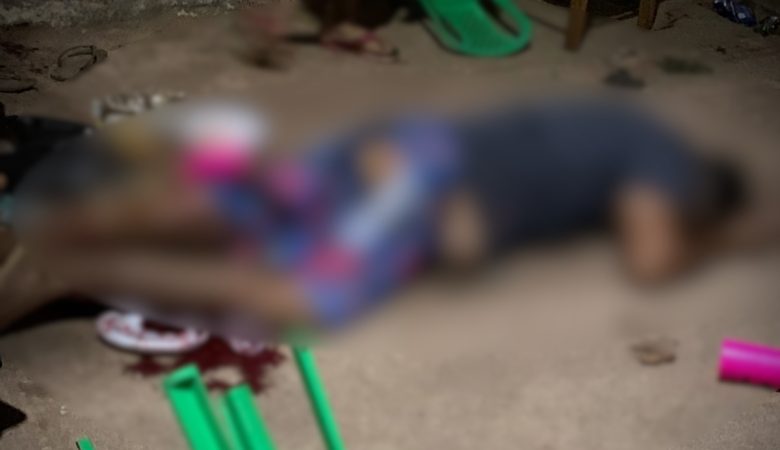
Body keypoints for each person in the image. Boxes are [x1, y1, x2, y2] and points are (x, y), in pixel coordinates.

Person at [0, 97, 763, 339]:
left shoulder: (613, 128)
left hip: (398, 148)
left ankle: (71, 234)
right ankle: (75, 265)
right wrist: (728, 240)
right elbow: (653, 260)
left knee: (265, 208)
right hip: (433, 181)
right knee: (301, 294)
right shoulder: (662, 158)